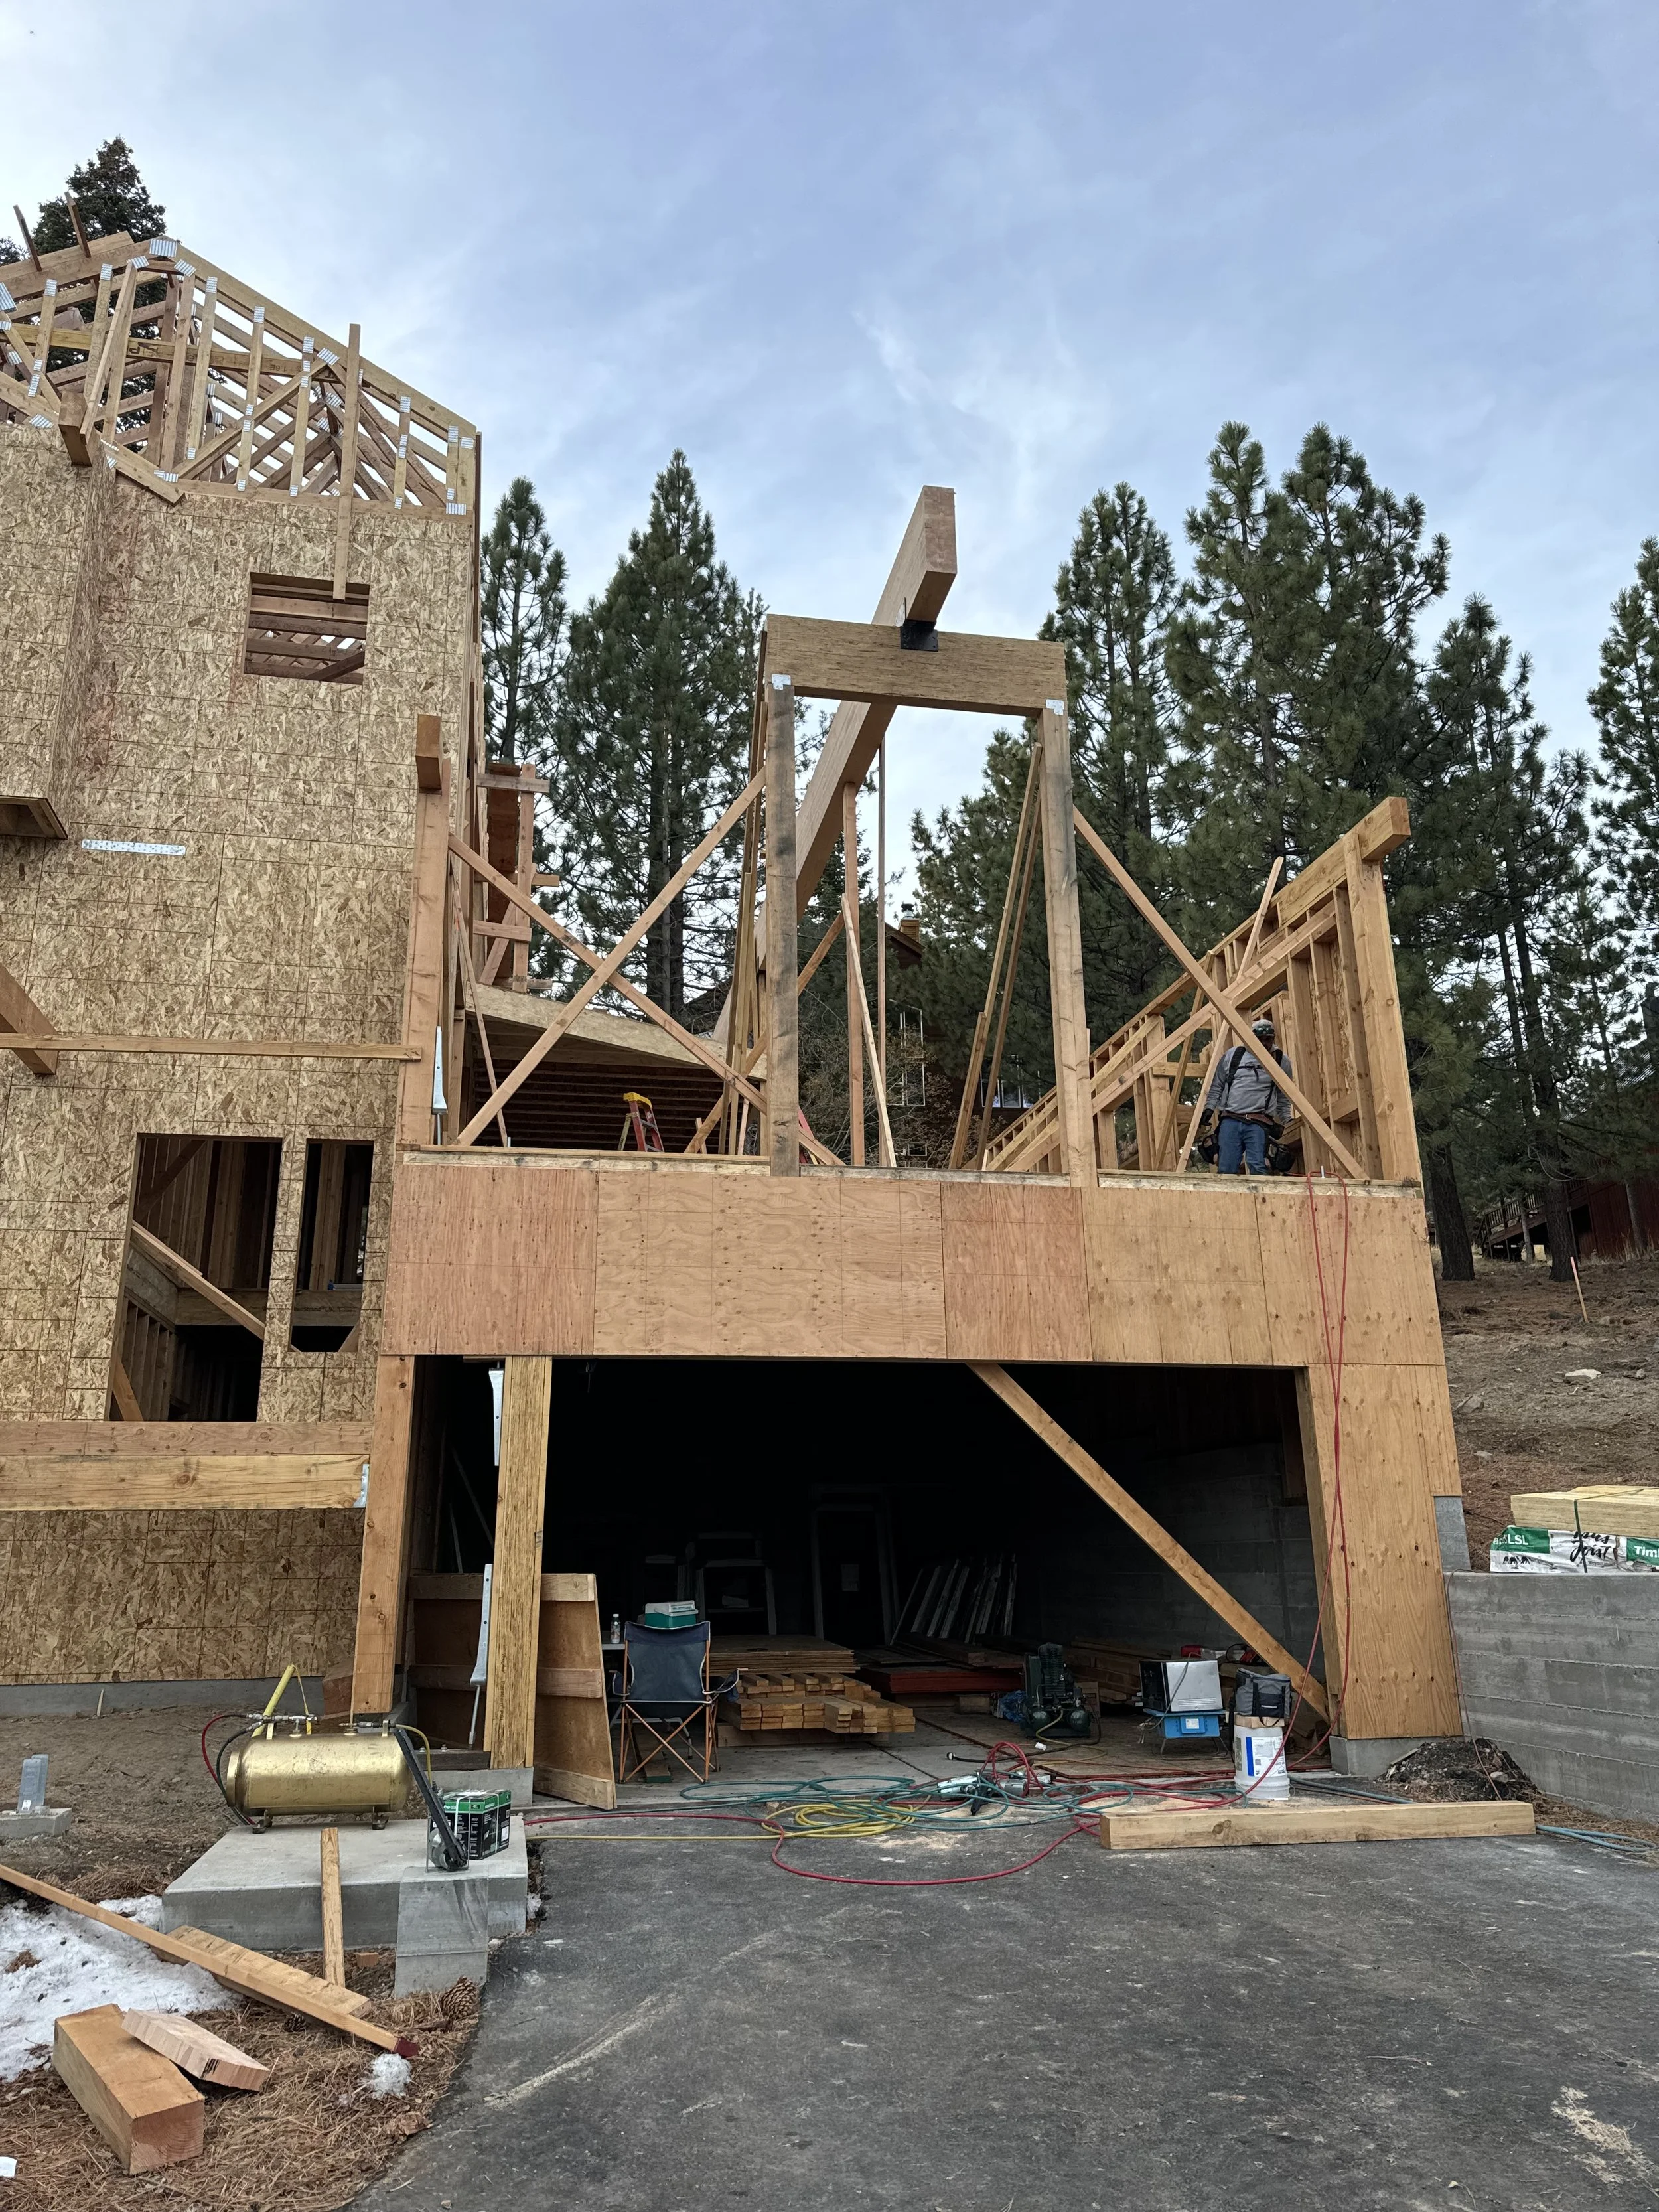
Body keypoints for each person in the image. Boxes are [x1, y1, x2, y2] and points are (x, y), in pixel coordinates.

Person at [1198, 1016, 1291, 1175]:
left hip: (1258, 1122)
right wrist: (1209, 1108)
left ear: (1273, 1038)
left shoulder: (1280, 1060)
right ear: (1250, 1038)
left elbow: (1284, 1094)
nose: (1263, 1043)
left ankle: (1262, 1198)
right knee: (1226, 1168)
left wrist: (1286, 1119)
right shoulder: (1234, 1056)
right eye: (1259, 1039)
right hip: (1231, 1120)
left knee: (1259, 1166)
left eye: (1268, 1039)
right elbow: (1217, 1086)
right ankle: (1229, 1199)